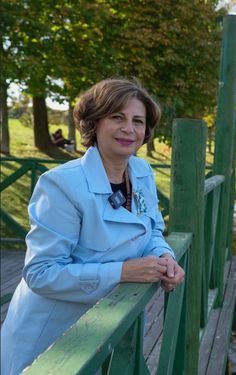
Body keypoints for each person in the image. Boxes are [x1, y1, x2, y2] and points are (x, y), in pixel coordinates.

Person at [1, 78, 185, 375]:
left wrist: (166, 257)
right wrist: (123, 272)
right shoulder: (61, 185)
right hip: (49, 340)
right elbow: (40, 273)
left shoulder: (141, 171)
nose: (129, 128)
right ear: (94, 123)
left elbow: (151, 228)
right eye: (117, 117)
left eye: (138, 121)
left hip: (102, 330)